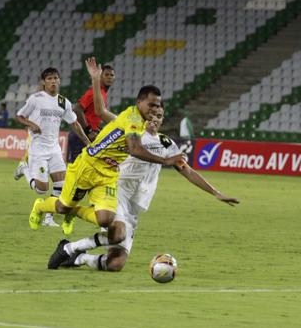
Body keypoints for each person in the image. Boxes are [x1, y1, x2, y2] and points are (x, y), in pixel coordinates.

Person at [48, 105, 239, 271]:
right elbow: (101, 111)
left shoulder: (166, 144)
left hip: (136, 207)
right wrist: (97, 80)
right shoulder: (132, 132)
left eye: (159, 116)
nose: (154, 119)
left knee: (115, 264)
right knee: (117, 233)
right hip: (117, 193)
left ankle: (79, 257)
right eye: (152, 115)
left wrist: (216, 193)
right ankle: (69, 248)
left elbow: (187, 171)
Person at [29, 57, 183, 241]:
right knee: (62, 206)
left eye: (158, 106)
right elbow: (135, 149)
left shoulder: (132, 119)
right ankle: (40, 207)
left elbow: (101, 111)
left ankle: (74, 212)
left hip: (108, 173)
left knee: (105, 219)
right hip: (87, 166)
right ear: (139, 102)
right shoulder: (133, 119)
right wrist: (166, 161)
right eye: (151, 105)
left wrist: (95, 80)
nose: (154, 109)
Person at [15, 67, 91, 228]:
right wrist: (31, 124)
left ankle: (48, 217)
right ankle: (24, 169)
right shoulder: (35, 99)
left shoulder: (63, 102)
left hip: (54, 149)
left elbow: (74, 124)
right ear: (43, 82)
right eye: (49, 79)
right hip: (38, 150)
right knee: (41, 190)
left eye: (56, 78)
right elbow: (19, 116)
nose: (53, 81)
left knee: (61, 185)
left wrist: (87, 141)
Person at [67, 64, 115, 162]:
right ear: (99, 77)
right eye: (106, 75)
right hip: (81, 136)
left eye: (112, 75)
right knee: (78, 169)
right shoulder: (94, 92)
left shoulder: (102, 93)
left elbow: (93, 115)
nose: (109, 77)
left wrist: (97, 129)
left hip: (86, 135)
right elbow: (77, 109)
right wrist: (88, 130)